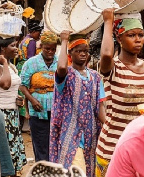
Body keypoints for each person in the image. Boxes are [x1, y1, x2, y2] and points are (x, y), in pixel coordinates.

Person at [96, 9, 144, 176]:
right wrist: (108, 21)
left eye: (140, 35)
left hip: (141, 148)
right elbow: (106, 55)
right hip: (112, 148)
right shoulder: (113, 68)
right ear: (119, 38)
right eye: (131, 35)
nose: (138, 40)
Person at [50, 31, 106, 177]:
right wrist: (64, 41)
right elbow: (61, 67)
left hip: (91, 134)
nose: (83, 54)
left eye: (85, 51)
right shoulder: (66, 75)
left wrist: (108, 127)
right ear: (71, 53)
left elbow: (101, 107)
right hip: (71, 134)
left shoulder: (95, 76)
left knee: (90, 171)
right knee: (76, 170)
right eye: (78, 51)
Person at [0, 36, 27, 177]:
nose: (16, 49)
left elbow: (12, 89)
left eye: (16, 45)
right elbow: (5, 84)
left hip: (12, 113)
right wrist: (4, 62)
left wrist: (18, 99)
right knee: (4, 150)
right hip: (0, 113)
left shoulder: (11, 67)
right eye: (13, 46)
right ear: (2, 49)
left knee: (12, 150)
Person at [20, 31, 59, 162]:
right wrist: (32, 100)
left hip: (57, 111)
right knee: (40, 145)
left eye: (53, 49)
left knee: (55, 145)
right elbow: (23, 86)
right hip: (37, 111)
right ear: (41, 46)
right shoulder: (31, 63)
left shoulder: (60, 63)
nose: (50, 52)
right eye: (47, 48)